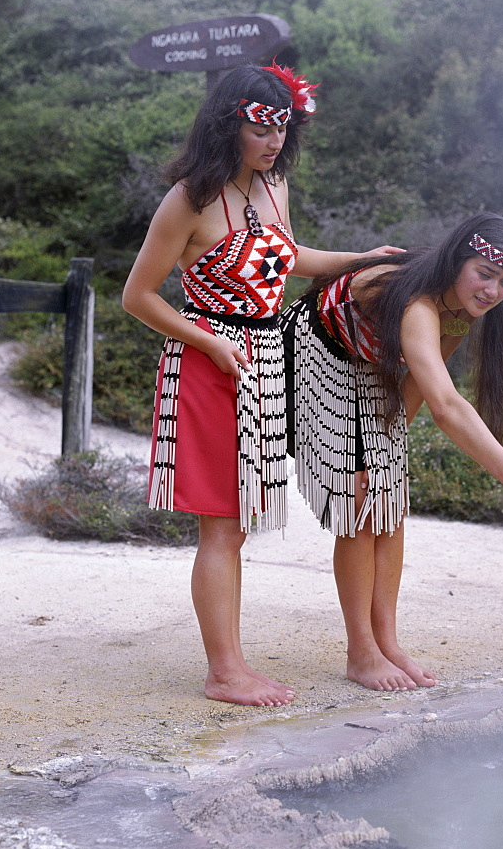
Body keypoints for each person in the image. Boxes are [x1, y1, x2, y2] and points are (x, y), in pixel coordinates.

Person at [122, 62, 399, 707]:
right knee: (221, 527)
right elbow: (137, 297)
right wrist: (212, 344)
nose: (274, 141)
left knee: (252, 521)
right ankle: (226, 672)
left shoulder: (274, 186)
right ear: (228, 125)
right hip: (210, 362)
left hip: (272, 355)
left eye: (284, 127)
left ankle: (259, 659)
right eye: (260, 126)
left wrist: (363, 260)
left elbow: (291, 261)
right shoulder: (188, 199)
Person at [281, 212, 503, 692]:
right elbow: (448, 405)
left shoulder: (458, 310)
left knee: (387, 500)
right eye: (483, 273)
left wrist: (383, 452)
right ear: (456, 262)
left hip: (370, 365)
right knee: (356, 503)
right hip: (316, 350)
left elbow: (418, 386)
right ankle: (362, 653)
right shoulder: (417, 301)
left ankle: (388, 644)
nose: (492, 291)